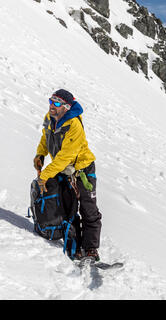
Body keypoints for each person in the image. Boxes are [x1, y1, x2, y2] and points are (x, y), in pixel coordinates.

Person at [33, 89, 102, 261]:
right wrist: (40, 154)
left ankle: (91, 249)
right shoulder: (49, 119)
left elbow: (66, 157)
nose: (52, 106)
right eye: (51, 101)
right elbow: (45, 138)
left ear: (66, 106)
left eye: (56, 103)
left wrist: (45, 175)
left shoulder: (74, 125)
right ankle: (75, 246)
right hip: (63, 170)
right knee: (68, 207)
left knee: (88, 209)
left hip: (82, 170)